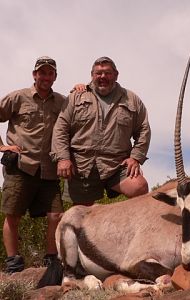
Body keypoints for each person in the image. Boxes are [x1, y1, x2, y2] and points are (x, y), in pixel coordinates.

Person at [51, 56, 151, 205]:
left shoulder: (131, 99)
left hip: (117, 165)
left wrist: (135, 158)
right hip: (82, 165)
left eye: (107, 73)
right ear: (92, 75)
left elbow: (143, 129)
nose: (103, 76)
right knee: (82, 216)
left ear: (116, 75)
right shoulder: (76, 97)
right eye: (98, 73)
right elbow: (61, 129)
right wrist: (63, 158)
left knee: (139, 187)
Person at [0, 56, 65, 273]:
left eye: (50, 73)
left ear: (55, 76)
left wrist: (82, 88)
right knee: (13, 215)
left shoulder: (61, 102)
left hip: (49, 169)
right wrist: (2, 147)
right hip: (20, 166)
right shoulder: (18, 97)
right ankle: (13, 262)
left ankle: (51, 258)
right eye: (42, 72)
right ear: (34, 74)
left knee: (56, 215)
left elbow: (79, 113)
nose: (46, 77)